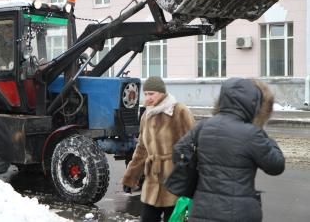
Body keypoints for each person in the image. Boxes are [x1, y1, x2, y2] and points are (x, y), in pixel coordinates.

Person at [173, 77, 285, 222]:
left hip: (202, 208)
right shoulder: (252, 133)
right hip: (240, 212)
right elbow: (276, 166)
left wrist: (196, 168)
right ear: (253, 103)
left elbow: (179, 151)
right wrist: (264, 135)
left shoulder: (204, 126)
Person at [121, 76, 195, 222]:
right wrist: (130, 178)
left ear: (162, 93)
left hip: (174, 179)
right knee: (148, 218)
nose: (148, 98)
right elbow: (141, 149)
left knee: (172, 219)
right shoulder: (146, 115)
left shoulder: (178, 111)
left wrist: (190, 178)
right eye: (146, 93)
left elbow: (193, 144)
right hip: (153, 180)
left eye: (151, 94)